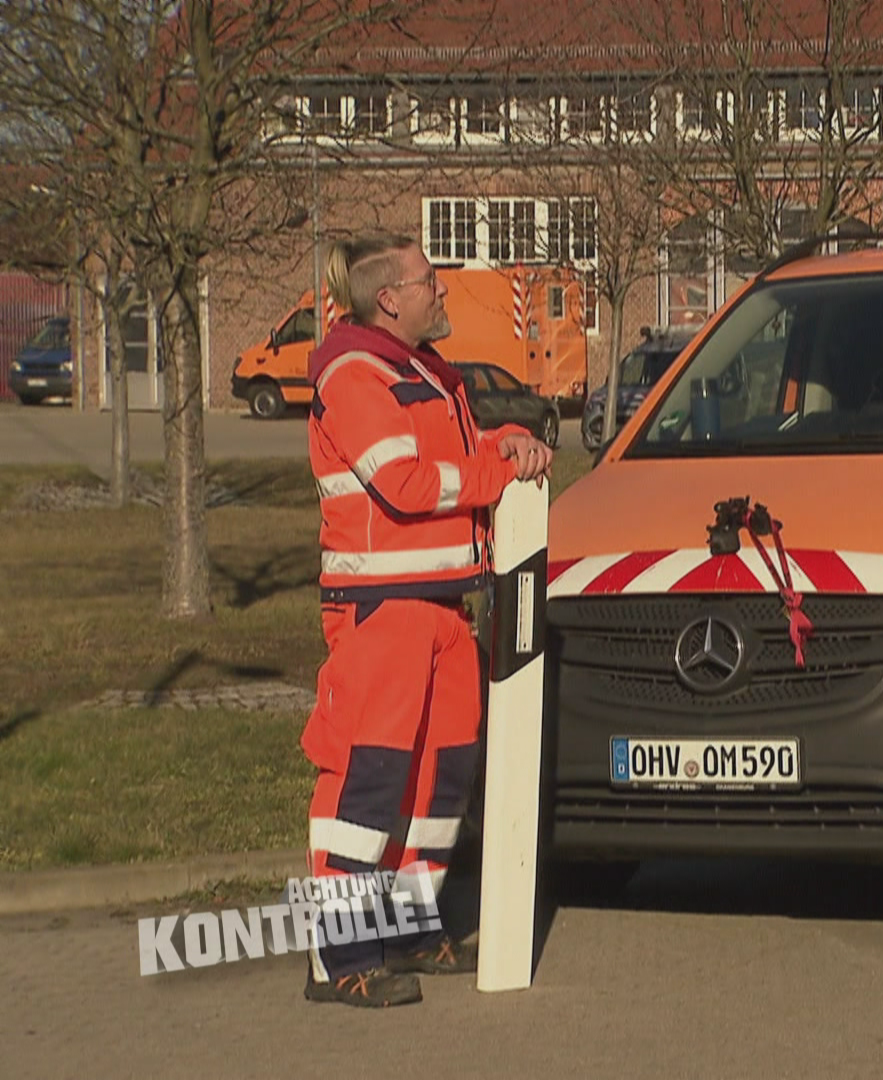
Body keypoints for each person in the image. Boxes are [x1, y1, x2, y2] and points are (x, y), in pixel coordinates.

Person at [300, 233, 552, 1007]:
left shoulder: (421, 371)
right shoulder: (353, 372)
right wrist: (498, 467)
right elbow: (406, 482)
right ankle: (341, 957)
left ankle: (406, 928)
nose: (443, 291)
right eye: (430, 281)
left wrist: (500, 441)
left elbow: (458, 454)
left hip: (442, 606)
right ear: (390, 298)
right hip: (383, 614)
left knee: (441, 782)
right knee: (369, 784)